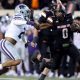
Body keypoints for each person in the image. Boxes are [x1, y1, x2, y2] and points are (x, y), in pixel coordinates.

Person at [0, 4, 38, 74]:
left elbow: (22, 36)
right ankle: (1, 66)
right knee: (14, 61)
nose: (28, 13)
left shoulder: (23, 24)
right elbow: (16, 21)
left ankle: (2, 68)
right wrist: (28, 22)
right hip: (6, 43)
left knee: (18, 61)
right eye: (27, 11)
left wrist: (28, 43)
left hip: (10, 45)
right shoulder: (18, 16)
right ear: (22, 11)